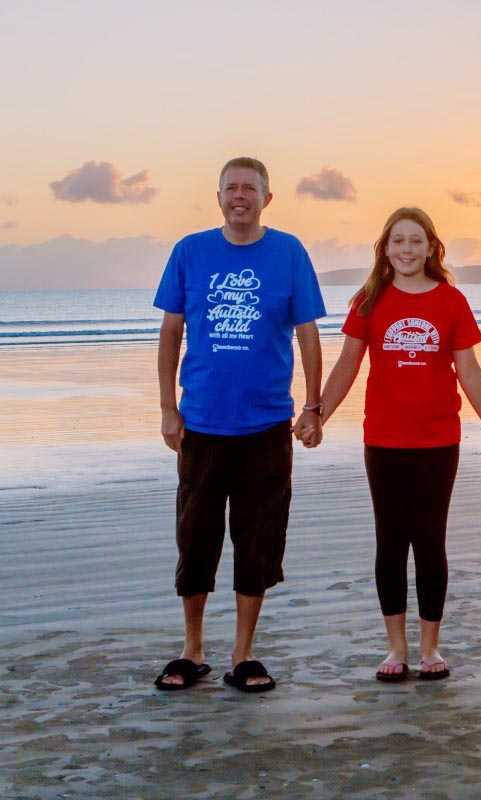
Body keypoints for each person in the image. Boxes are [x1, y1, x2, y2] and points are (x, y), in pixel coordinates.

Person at [303, 207, 481, 682]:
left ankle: (430, 647)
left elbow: (469, 373)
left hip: (438, 441)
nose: (407, 250)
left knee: (430, 541)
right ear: (386, 248)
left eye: (416, 241)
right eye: (398, 241)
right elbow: (347, 366)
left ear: (432, 248)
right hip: (385, 441)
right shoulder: (369, 300)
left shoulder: (451, 301)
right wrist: (317, 415)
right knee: (391, 543)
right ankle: (396, 649)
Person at [153, 156, 326, 692]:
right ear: (219, 196)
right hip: (201, 426)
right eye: (232, 187)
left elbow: (309, 335)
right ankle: (192, 650)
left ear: (266, 199)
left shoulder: (289, 252)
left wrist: (313, 406)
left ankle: (243, 655)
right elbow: (170, 335)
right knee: (196, 539)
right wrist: (167, 407)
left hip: (267, 428)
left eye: (251, 188)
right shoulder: (190, 251)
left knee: (257, 542)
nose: (240, 196)